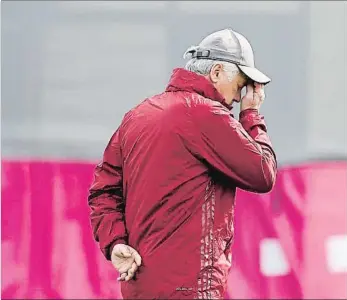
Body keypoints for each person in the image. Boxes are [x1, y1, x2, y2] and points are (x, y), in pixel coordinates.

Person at [88, 28, 277, 299]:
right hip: (192, 288)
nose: (239, 98)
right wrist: (251, 115)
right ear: (217, 73)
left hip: (139, 288)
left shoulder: (138, 115)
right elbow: (263, 172)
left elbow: (103, 191)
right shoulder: (206, 114)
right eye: (240, 86)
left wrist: (115, 241)